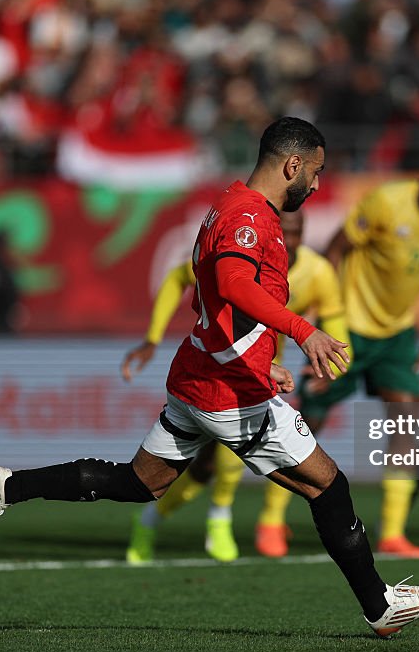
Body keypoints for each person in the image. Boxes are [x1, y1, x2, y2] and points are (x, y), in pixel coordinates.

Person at [0, 117, 419, 637]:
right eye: (317, 173)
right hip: (227, 394)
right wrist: (303, 332)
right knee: (327, 485)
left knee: (139, 482)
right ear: (292, 165)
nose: (318, 185)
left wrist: (262, 359)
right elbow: (232, 284)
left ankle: (6, 486)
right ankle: (380, 606)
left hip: (201, 375)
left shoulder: (228, 204)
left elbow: (209, 302)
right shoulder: (249, 218)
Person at [121, 208, 350, 562]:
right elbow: (176, 280)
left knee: (220, 464)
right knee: (202, 468)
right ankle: (192, 519)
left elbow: (335, 324)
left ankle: (232, 521)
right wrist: (153, 338)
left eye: (296, 234)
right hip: (212, 372)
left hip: (262, 373)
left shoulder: (317, 273)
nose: (288, 241)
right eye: (283, 232)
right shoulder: (242, 260)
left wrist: (326, 367)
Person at [309, 138, 419, 557]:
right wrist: (324, 321)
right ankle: (272, 520)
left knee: (406, 421)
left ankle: (393, 532)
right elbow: (334, 250)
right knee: (309, 416)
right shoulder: (386, 202)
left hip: (399, 334)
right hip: (349, 326)